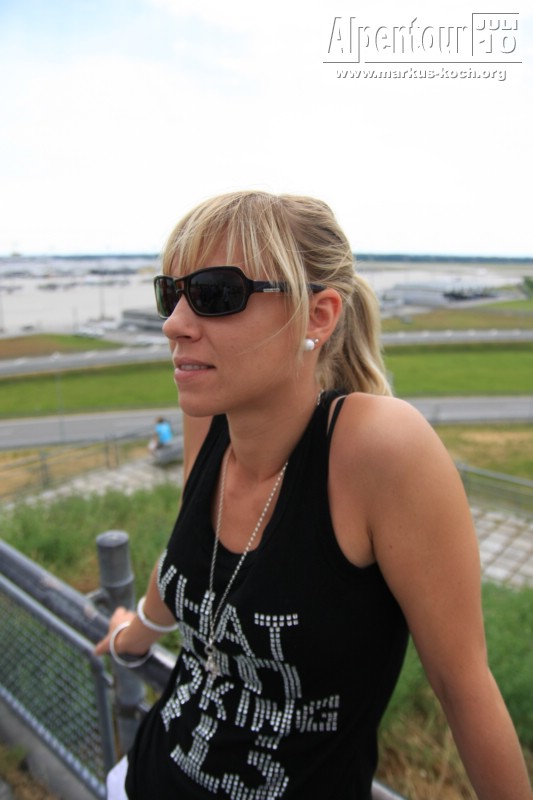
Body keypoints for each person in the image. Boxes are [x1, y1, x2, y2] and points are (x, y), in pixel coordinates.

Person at [96, 191, 532, 800]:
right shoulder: (211, 421)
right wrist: (133, 635)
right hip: (144, 777)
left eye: (215, 294)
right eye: (171, 293)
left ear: (317, 317)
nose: (174, 324)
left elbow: (462, 688)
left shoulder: (379, 449)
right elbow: (188, 564)